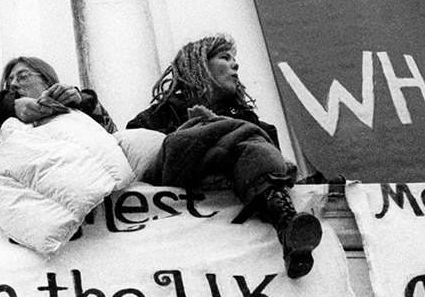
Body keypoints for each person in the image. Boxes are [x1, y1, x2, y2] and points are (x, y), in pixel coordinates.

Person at [128, 34, 321, 279]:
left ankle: (288, 229)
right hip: (179, 176)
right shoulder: (158, 116)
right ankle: (284, 221)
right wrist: (200, 127)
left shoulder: (253, 123)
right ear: (198, 65)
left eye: (233, 59)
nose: (235, 64)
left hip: (227, 191)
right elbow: (140, 156)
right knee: (247, 138)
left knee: (254, 145)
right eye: (224, 57)